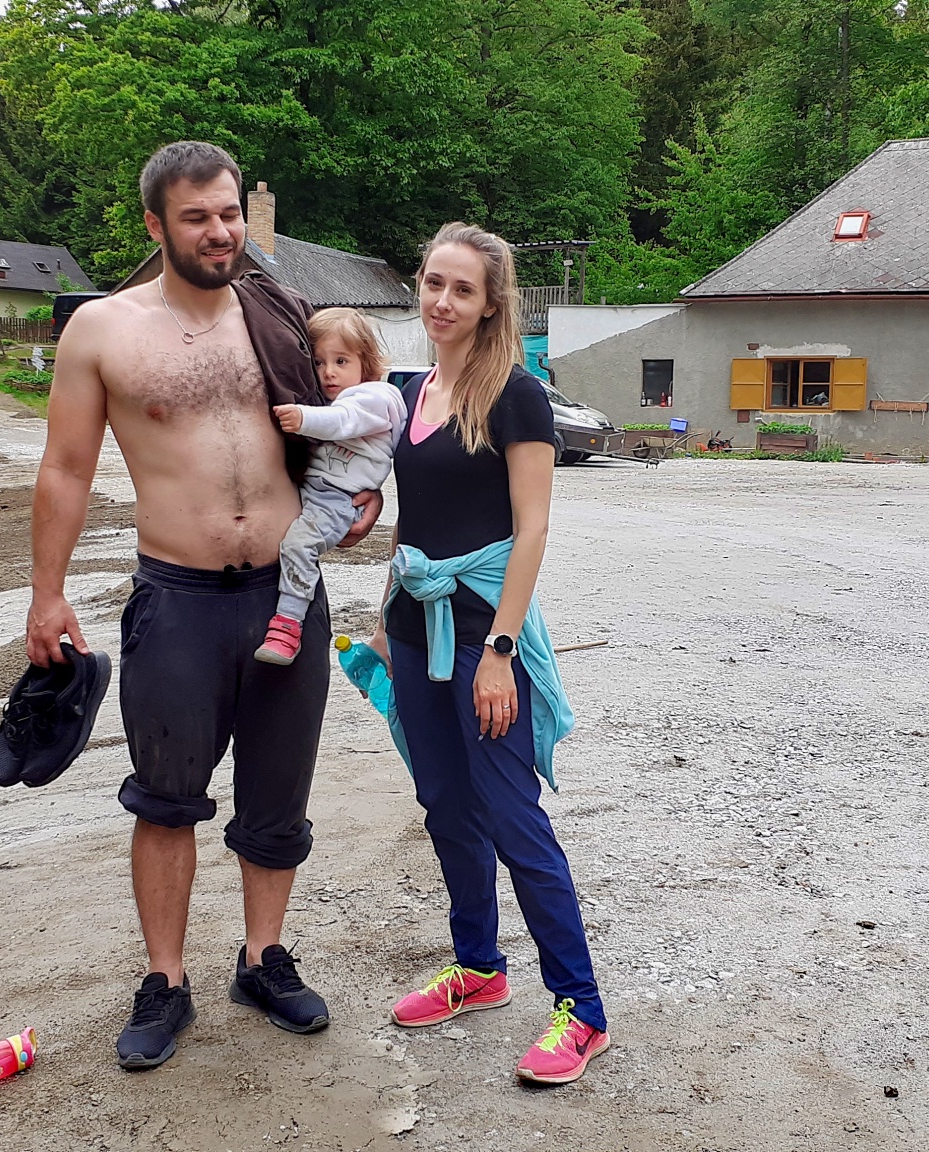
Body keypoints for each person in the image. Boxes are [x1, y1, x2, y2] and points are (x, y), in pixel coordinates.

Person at [22, 140, 381, 1072]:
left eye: (228, 214)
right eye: (197, 218)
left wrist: (365, 495)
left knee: (278, 793)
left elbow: (351, 419)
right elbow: (64, 469)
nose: (220, 232)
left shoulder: (281, 314)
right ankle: (165, 980)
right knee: (165, 798)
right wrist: (47, 593)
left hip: (285, 593)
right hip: (178, 600)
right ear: (156, 223)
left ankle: (262, 960)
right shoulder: (102, 330)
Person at [369, 222, 606, 1086]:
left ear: (491, 304)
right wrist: (384, 610)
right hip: (412, 627)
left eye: (462, 289)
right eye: (434, 282)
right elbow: (413, 518)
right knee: (443, 804)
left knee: (511, 816)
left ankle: (582, 1009)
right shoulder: (410, 391)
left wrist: (502, 649)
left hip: (482, 635)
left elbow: (531, 528)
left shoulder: (517, 395)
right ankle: (479, 967)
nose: (442, 300)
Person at [256, 308, 407, 665]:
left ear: (366, 363)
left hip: (338, 499)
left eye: (341, 361)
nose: (328, 372)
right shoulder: (336, 399)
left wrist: (302, 417)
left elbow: (343, 421)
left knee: (299, 545)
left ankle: (288, 625)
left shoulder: (374, 397)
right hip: (318, 492)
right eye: (319, 362)